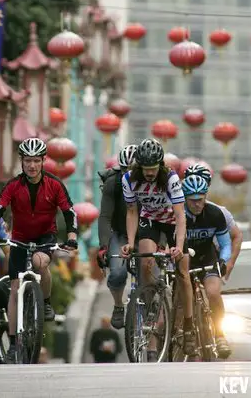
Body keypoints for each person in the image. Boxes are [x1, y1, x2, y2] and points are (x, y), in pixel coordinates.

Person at [0, 137, 78, 363]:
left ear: (43, 161)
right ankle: (14, 343)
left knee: (40, 263)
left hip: (46, 236)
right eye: (28, 161)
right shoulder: (13, 185)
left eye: (36, 161)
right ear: (22, 161)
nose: (32, 165)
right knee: (15, 288)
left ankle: (45, 302)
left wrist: (73, 236)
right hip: (19, 238)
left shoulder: (55, 184)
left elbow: (69, 212)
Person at [120, 137, 194, 356]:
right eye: (145, 169)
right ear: (138, 166)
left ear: (160, 166)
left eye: (153, 169)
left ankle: (189, 326)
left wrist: (178, 246)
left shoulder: (170, 178)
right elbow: (132, 211)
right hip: (150, 220)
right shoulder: (129, 179)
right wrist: (130, 243)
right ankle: (153, 302)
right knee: (144, 262)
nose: (149, 174)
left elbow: (181, 216)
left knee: (183, 271)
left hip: (172, 221)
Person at [182, 174, 232, 358]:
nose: (197, 204)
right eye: (192, 201)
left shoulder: (214, 214)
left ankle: (220, 334)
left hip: (207, 258)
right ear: (185, 199)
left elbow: (226, 244)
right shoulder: (177, 214)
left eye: (200, 200)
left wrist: (222, 261)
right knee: (180, 299)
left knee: (212, 293)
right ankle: (184, 333)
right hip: (184, 259)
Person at [97, 143, 138, 329]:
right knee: (117, 273)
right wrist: (104, 246)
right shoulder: (113, 183)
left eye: (133, 170)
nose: (128, 174)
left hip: (145, 233)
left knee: (152, 274)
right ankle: (118, 305)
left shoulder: (150, 183)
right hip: (120, 233)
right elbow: (105, 216)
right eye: (124, 170)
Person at [183, 161, 243, 279]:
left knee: (212, 291)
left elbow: (237, 236)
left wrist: (229, 263)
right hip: (186, 257)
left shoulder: (218, 212)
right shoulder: (178, 210)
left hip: (210, 258)